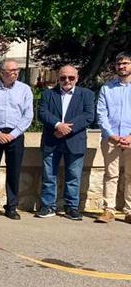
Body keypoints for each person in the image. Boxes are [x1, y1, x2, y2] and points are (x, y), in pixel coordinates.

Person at [35, 65, 95, 220]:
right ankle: (48, 206)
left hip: (75, 141)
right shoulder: (48, 94)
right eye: (63, 78)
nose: (67, 80)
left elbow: (88, 115)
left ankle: (71, 207)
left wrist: (66, 128)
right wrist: (57, 125)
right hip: (51, 140)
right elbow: (42, 113)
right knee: (49, 176)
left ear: (77, 78)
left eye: (71, 77)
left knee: (73, 177)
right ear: (58, 79)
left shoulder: (86, 94)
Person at [0, 59, 33, 219]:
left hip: (15, 135)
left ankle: (11, 206)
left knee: (14, 171)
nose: (16, 73)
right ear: (2, 73)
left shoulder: (24, 89)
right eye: (12, 71)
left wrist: (13, 134)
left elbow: (28, 115)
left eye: (17, 70)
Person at [95, 51, 131, 223]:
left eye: (125, 63)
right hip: (111, 138)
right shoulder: (106, 88)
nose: (121, 66)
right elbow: (101, 114)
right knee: (111, 174)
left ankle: (129, 210)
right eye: (119, 64)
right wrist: (111, 135)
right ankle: (108, 209)